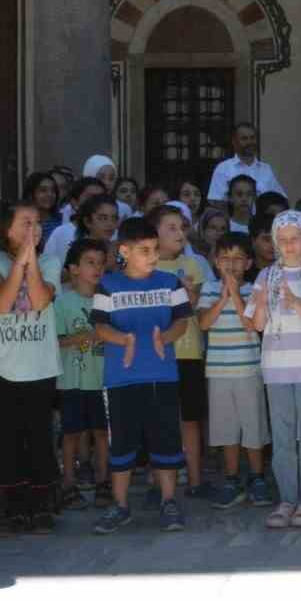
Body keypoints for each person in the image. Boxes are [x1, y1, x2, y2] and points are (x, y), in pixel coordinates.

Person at [90, 217, 194, 535]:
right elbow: (100, 326)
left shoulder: (170, 283)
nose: (152, 256)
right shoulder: (108, 285)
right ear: (124, 251)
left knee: (166, 439)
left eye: (154, 250)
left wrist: (164, 338)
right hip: (121, 380)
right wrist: (124, 340)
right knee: (121, 443)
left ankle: (168, 502)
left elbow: (182, 322)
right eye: (144, 250)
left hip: (162, 377)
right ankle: (120, 506)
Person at [0, 201, 60, 535]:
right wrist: (20, 263)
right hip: (4, 368)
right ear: (5, 229)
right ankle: (10, 508)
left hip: (41, 366)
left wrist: (31, 261)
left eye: (38, 223)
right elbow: (3, 302)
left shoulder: (51, 260)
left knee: (40, 436)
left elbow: (40, 300)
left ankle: (41, 506)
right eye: (25, 223)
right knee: (11, 437)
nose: (34, 229)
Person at [247, 211, 301, 530]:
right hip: (276, 369)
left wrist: (295, 302)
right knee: (281, 439)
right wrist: (264, 302)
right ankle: (287, 499)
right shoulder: (266, 276)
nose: (289, 245)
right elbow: (257, 324)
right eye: (283, 240)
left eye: (295, 238)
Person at [198, 233, 272, 510]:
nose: (231, 264)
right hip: (218, 371)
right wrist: (222, 298)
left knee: (253, 426)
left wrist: (235, 295)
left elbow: (251, 324)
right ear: (216, 262)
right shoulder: (207, 288)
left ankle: (257, 477)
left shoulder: (254, 289)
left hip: (248, 369)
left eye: (238, 258)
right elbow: (204, 324)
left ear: (248, 262)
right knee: (226, 427)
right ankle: (231, 478)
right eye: (225, 259)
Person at [152, 205, 211, 498]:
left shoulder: (193, 264)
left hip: (188, 352)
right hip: (154, 355)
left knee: (190, 418)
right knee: (159, 420)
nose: (179, 233)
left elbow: (195, 306)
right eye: (171, 228)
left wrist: (188, 291)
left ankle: (196, 480)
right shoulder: (144, 266)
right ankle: (159, 483)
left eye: (182, 228)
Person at [55, 239, 110, 510]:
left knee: (101, 432)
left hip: (102, 380)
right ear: (74, 269)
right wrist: (87, 336)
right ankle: (68, 484)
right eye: (90, 262)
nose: (97, 268)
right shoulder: (62, 302)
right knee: (71, 433)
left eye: (101, 263)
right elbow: (55, 342)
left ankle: (103, 482)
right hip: (71, 382)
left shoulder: (107, 301)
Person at [208, 121, 287, 203]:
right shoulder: (223, 168)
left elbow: (281, 200)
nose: (250, 142)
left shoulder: (266, 169)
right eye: (244, 139)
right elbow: (215, 201)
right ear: (234, 142)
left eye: (252, 138)